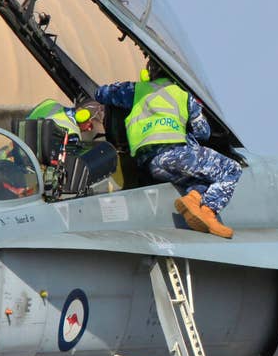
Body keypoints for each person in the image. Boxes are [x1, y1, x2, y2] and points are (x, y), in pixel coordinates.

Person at [94, 62, 241, 238]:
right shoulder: (185, 96)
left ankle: (193, 200)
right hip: (176, 155)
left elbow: (101, 93)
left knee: (201, 178)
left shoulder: (136, 90)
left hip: (149, 164)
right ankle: (209, 212)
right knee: (231, 169)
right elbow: (203, 132)